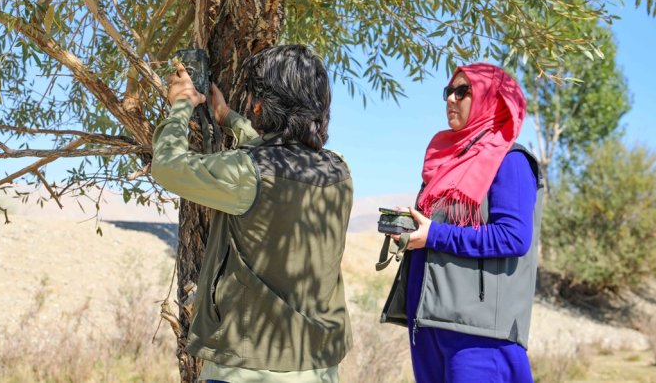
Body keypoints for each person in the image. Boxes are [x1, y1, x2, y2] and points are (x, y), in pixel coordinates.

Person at [151, 45, 353, 383]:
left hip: (248, 368)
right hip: (319, 366)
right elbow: (278, 160)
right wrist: (230, 119)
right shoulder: (338, 169)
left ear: (260, 104)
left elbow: (169, 166)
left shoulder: (248, 173)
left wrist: (182, 105)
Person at [381, 63, 543, 383]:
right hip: (428, 326)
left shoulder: (511, 161)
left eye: (462, 91)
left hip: (479, 336)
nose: (451, 99)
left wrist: (435, 234)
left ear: (491, 99)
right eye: (448, 92)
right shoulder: (444, 164)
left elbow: (514, 237)